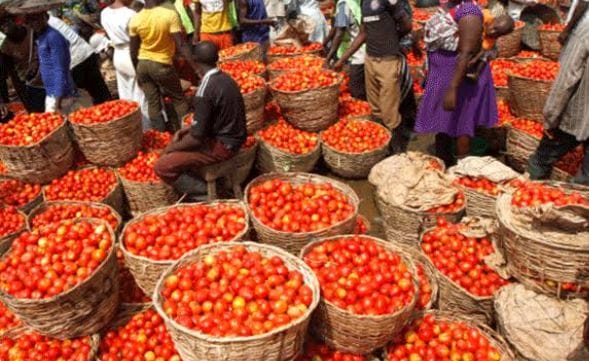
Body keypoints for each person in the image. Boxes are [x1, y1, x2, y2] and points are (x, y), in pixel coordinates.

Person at [154, 41, 246, 196]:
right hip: (234, 139)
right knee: (183, 138)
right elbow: (216, 117)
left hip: (222, 146)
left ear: (195, 60)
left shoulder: (205, 89)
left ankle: (206, 192)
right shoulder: (227, 80)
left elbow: (196, 139)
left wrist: (169, 149)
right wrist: (187, 130)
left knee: (163, 166)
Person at [413, 0, 498, 167]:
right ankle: (444, 158)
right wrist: (418, 38)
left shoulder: (469, 12)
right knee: (444, 119)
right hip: (444, 72)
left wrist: (452, 88)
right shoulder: (449, 6)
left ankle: (462, 168)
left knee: (462, 123)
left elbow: (466, 52)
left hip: (459, 77)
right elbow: (441, 29)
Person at [334, 0, 412, 150]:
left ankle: (397, 149)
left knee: (389, 109)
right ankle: (380, 145)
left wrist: (392, 41)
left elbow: (406, 26)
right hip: (370, 59)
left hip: (388, 60)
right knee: (375, 106)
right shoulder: (364, 4)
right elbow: (363, 33)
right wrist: (343, 59)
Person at [527, 22, 589, 184]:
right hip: (581, 117)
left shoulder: (586, 30)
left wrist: (551, 116)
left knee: (540, 162)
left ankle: (528, 200)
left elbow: (567, 78)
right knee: (585, 184)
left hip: (577, 116)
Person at [129, 0, 197, 131]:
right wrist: (196, 68)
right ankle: (188, 133)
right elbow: (181, 45)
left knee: (153, 103)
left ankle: (160, 137)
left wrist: (137, 73)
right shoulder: (169, 15)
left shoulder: (135, 19)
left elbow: (133, 51)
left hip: (142, 65)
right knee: (178, 99)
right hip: (161, 65)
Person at [101, 0, 149, 128]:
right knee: (142, 95)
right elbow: (138, 41)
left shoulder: (104, 13)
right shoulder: (130, 14)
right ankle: (146, 129)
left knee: (126, 94)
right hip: (132, 54)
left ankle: (130, 127)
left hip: (118, 54)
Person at [48, 15, 112, 105]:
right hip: (85, 53)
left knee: (85, 100)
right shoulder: (52, 19)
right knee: (101, 94)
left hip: (75, 61)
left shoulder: (44, 27)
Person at [25, 12, 78, 114]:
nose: (32, 23)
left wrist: (58, 101)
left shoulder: (53, 37)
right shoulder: (41, 37)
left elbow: (60, 69)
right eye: (29, 21)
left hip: (61, 94)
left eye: (36, 19)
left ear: (46, 17)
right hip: (51, 92)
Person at [0, 14, 45, 114]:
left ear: (14, 21)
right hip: (29, 84)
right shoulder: (5, 47)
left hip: (45, 75)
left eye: (5, 22)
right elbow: (9, 75)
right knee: (38, 114)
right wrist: (7, 100)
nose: (3, 27)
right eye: (0, 26)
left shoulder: (31, 30)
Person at [325, 0, 366, 100]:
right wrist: (325, 42)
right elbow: (337, 26)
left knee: (356, 91)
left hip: (358, 53)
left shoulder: (344, 3)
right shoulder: (357, 2)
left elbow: (340, 32)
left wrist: (328, 58)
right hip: (367, 50)